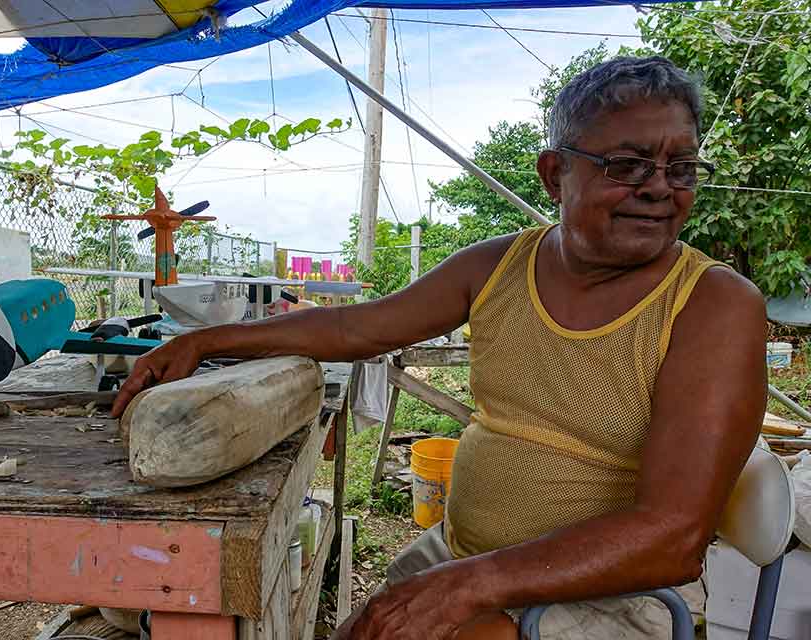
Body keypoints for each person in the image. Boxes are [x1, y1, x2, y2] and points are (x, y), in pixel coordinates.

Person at [112, 56, 767, 639]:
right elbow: (359, 329)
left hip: (618, 597)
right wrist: (208, 341)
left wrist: (467, 587)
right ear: (553, 173)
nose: (659, 187)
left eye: (680, 168)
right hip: (468, 560)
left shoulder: (712, 306)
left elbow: (671, 537)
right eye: (627, 166)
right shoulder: (497, 266)